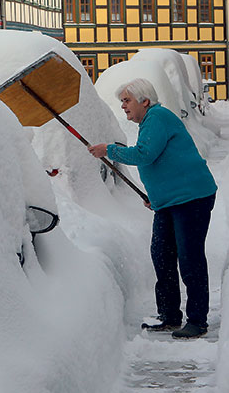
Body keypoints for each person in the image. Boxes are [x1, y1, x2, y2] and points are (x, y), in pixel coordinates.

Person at [87, 78, 217, 339]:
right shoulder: (150, 121)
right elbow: (162, 161)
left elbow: (145, 154)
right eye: (122, 101)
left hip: (191, 198)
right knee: (162, 255)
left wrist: (109, 150)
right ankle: (169, 315)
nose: (123, 107)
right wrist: (155, 197)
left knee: (189, 259)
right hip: (170, 201)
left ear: (144, 101)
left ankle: (197, 320)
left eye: (127, 100)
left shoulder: (157, 117)